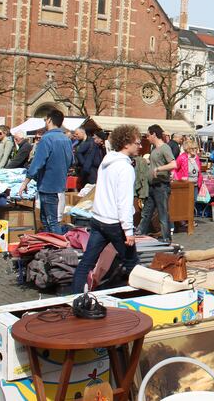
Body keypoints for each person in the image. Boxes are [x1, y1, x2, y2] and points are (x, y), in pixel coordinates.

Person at [71, 124, 141, 293]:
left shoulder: (106, 161)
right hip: (114, 223)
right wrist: (129, 231)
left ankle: (74, 295)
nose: (140, 146)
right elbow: (124, 201)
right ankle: (139, 295)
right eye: (137, 142)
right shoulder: (125, 168)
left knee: (87, 261)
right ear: (126, 144)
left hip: (98, 219)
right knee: (132, 263)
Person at [18, 111, 73, 234]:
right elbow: (71, 161)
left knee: (51, 221)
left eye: (45, 120)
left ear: (49, 120)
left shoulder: (47, 138)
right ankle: (50, 246)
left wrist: (25, 182)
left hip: (47, 185)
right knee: (47, 219)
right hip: (60, 184)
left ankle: (59, 248)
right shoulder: (66, 139)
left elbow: (37, 163)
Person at [138, 124, 177, 241]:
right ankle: (139, 235)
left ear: (154, 134)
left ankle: (166, 239)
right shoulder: (154, 149)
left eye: (148, 135)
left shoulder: (164, 148)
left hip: (161, 186)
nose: (147, 138)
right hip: (152, 186)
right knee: (146, 213)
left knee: (162, 214)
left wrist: (159, 169)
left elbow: (173, 164)